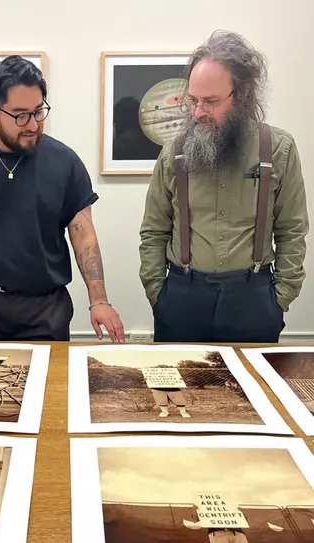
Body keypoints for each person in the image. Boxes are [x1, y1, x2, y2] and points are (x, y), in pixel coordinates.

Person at [0, 55, 124, 343]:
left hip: (46, 307)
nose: (32, 124)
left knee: (51, 387)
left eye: (38, 111)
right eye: (20, 115)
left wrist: (99, 300)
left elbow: (84, 236)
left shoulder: (65, 162)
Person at [139, 30, 308, 343]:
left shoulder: (278, 150)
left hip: (253, 300)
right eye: (193, 100)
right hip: (182, 299)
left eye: (211, 101)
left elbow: (292, 230)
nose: (198, 111)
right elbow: (153, 231)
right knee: (175, 392)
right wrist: (158, 295)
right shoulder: (173, 153)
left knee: (253, 391)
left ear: (242, 94)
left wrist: (281, 298)